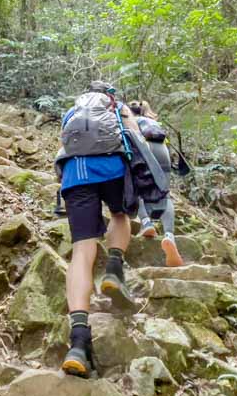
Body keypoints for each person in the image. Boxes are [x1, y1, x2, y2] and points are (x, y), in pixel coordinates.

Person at [54, 81, 140, 377]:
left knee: (82, 249)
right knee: (119, 214)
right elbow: (137, 136)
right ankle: (115, 268)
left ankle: (78, 341)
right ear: (110, 95)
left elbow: (65, 143)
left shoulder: (73, 110)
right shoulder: (117, 107)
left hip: (75, 174)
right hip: (113, 168)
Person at [128, 101, 183, 267]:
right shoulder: (153, 123)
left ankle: (146, 223)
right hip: (162, 153)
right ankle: (169, 235)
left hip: (145, 150)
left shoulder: (130, 121)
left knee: (138, 189)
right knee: (164, 193)